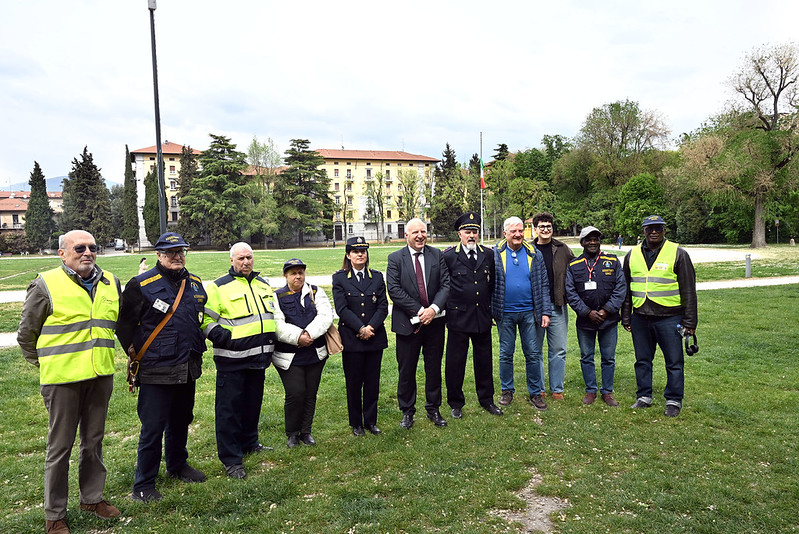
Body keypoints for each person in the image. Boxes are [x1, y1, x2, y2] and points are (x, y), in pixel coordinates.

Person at [18, 230, 122, 534]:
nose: (87, 252)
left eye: (92, 247)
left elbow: (112, 325)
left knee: (93, 442)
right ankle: (55, 514)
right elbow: (26, 335)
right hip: (62, 381)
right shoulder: (45, 284)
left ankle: (92, 498)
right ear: (62, 253)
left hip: (100, 376)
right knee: (59, 448)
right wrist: (45, 362)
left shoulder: (110, 282)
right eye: (79, 248)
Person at [116, 232, 208, 503]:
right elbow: (124, 327)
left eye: (181, 251)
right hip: (157, 368)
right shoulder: (141, 284)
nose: (177, 256)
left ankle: (177, 465)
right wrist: (138, 353)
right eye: (170, 252)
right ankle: (143, 484)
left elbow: (196, 320)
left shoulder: (195, 283)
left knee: (182, 419)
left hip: (187, 364)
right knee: (153, 427)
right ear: (158, 255)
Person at [202, 242, 276, 479]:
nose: (246, 262)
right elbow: (204, 320)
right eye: (241, 258)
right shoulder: (218, 287)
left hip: (259, 358)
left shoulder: (263, 285)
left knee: (252, 406)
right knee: (229, 411)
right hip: (232, 360)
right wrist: (223, 337)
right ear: (231, 260)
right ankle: (231, 459)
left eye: (249, 257)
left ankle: (250, 442)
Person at [621, 215, 698, 417]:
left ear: (664, 230)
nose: (653, 231)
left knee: (674, 361)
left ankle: (674, 400)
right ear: (643, 231)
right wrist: (626, 316)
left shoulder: (678, 254)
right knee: (642, 360)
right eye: (649, 228)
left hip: (670, 317)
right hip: (640, 317)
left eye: (658, 228)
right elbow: (626, 289)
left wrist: (690, 322)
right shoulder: (632, 255)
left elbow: (689, 290)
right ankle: (643, 396)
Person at [386, 217, 450, 429]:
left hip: (435, 324)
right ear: (406, 235)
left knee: (433, 368)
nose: (420, 235)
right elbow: (394, 290)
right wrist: (421, 310)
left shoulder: (436, 255)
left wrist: (434, 309)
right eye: (415, 232)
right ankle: (407, 411)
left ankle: (433, 409)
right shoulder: (395, 258)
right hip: (407, 325)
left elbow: (446, 285)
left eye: (423, 231)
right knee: (407, 370)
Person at [442, 212, 503, 418]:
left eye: (474, 232)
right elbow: (444, 286)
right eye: (467, 232)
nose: (471, 236)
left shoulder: (489, 254)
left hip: (482, 318)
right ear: (460, 234)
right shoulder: (449, 256)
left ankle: (487, 400)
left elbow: (492, 283)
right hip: (458, 318)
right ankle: (456, 403)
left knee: (484, 361)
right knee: (455, 362)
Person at [492, 216, 553, 411]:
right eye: (513, 231)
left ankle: (535, 393)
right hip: (505, 313)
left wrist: (545, 311)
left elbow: (543, 284)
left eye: (520, 231)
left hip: (530, 313)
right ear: (505, 234)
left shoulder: (533, 253)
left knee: (533, 354)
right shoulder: (495, 253)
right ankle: (507, 390)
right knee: (505, 353)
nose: (518, 234)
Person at [273, 258, 333, 447]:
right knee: (295, 393)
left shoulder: (316, 292)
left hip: (315, 353)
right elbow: (277, 324)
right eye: (293, 273)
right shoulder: (277, 296)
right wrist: (298, 336)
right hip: (289, 356)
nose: (298, 276)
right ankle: (292, 433)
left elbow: (326, 316)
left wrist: (309, 334)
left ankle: (306, 432)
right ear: (286, 276)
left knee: (310, 393)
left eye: (301, 272)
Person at [332, 237, 389, 436]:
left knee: (372, 382)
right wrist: (360, 328)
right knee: (354, 382)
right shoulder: (340, 278)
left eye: (363, 251)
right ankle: (356, 423)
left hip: (374, 337)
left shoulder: (377, 277)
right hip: (352, 339)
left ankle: (371, 421)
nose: (360, 254)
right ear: (348, 255)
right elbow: (342, 309)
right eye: (356, 251)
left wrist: (371, 326)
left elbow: (383, 307)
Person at [565, 226, 626, 406]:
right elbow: (570, 292)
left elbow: (620, 288)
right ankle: (591, 390)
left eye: (596, 239)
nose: (593, 242)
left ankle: (607, 392)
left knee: (608, 357)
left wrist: (606, 310)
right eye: (588, 239)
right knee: (586, 356)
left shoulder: (612, 261)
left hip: (609, 319)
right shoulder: (574, 265)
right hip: (585, 320)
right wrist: (586, 312)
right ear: (582, 242)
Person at [531, 212, 575, 400]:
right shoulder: (528, 249)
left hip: (557, 305)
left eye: (549, 226)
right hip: (535, 306)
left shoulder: (562, 249)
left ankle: (557, 388)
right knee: (535, 349)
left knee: (558, 348)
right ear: (535, 229)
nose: (546, 229)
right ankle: (538, 387)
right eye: (542, 226)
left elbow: (576, 271)